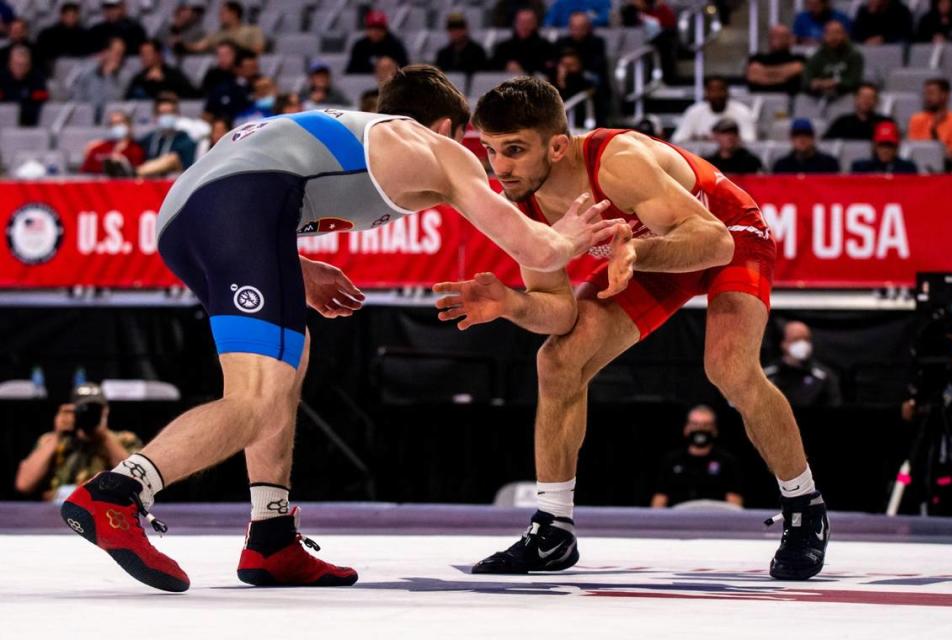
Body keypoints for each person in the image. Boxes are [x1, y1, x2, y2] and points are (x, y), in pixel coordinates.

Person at [58, 65, 621, 593]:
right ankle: (119, 492)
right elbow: (532, 247)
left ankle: (271, 536)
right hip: (242, 206)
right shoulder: (438, 149)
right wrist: (571, 233)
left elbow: (242, 179)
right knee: (254, 400)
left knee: (286, 364)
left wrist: (293, 265)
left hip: (185, 217)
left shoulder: (351, 129)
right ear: (448, 127)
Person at [450, 76, 829, 580]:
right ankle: (553, 529)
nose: (501, 167)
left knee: (729, 366)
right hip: (641, 252)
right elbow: (558, 312)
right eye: (492, 151)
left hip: (724, 227)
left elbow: (713, 243)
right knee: (558, 360)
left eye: (515, 150)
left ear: (558, 145)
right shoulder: (523, 202)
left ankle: (805, 510)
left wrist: (640, 249)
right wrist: (513, 304)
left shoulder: (616, 159)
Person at [16, 383, 141, 502]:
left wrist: (105, 436)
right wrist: (57, 435)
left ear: (105, 412)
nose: (89, 414)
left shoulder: (124, 439)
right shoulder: (51, 441)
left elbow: (136, 483)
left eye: (95, 410)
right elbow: (24, 484)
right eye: (84, 409)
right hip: (56, 515)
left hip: (106, 515)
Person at [650, 405, 744, 508]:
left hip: (713, 520)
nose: (700, 429)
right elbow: (659, 501)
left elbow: (734, 505)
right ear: (686, 428)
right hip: (678, 520)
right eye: (695, 424)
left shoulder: (727, 462)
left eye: (706, 425)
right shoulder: (671, 460)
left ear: (714, 430)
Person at [764, 321, 842, 407]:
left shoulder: (825, 377)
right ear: (783, 344)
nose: (803, 344)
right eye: (796, 339)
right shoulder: (767, 375)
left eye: (806, 339)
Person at [556, 12, 610, 123]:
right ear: (569, 27)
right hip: (565, 79)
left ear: (588, 28)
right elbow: (555, 62)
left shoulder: (597, 43)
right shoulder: (562, 43)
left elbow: (597, 66)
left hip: (588, 81)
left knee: (592, 79)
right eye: (574, 27)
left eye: (581, 27)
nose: (578, 31)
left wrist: (577, 67)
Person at [672, 76, 757, 143]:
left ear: (727, 92)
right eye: (712, 90)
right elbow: (677, 140)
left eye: (720, 90)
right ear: (706, 93)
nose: (717, 95)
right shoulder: (694, 112)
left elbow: (750, 140)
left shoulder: (742, 111)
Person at [136, 93, 197, 177]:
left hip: (175, 181)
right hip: (149, 182)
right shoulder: (149, 139)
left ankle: (135, 173)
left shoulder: (185, 140)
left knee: (172, 158)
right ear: (156, 116)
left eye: (170, 113)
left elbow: (187, 168)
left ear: (177, 115)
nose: (166, 116)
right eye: (163, 113)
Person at [620, 0, 679, 83]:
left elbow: (670, 24)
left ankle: (668, 79)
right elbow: (629, 25)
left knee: (665, 43)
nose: (637, 2)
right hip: (639, 39)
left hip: (659, 39)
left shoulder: (660, 8)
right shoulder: (630, 10)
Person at [803, 20, 864, 98]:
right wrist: (817, 83)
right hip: (817, 95)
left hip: (846, 95)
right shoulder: (816, 56)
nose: (833, 37)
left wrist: (836, 83)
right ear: (824, 36)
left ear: (845, 35)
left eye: (837, 33)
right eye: (829, 33)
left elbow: (855, 81)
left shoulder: (854, 55)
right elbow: (805, 81)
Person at [71, 38, 126, 122]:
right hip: (84, 119)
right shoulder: (88, 73)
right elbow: (77, 98)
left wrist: (109, 76)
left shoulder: (124, 76)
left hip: (109, 121)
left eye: (121, 54)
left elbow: (112, 103)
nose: (119, 58)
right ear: (106, 52)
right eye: (117, 53)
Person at [490, 7, 556, 75]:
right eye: (521, 22)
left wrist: (523, 70)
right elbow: (490, 68)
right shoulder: (503, 47)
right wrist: (506, 66)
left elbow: (548, 69)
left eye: (528, 22)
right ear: (515, 23)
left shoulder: (546, 47)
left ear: (535, 24)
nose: (525, 26)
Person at [125, 39, 198, 100]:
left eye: (147, 54)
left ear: (158, 54)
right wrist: (146, 81)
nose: (144, 57)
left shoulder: (173, 74)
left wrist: (163, 81)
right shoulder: (139, 78)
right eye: (142, 54)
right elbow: (128, 98)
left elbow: (191, 95)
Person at [907, 78, 952, 160]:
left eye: (931, 93)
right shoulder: (916, 120)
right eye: (925, 94)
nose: (927, 98)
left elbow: (950, 156)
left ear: (944, 95)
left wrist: (934, 131)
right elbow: (912, 150)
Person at [746, 25, 807, 95]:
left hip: (791, 102)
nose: (775, 38)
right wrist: (785, 75)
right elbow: (753, 76)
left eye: (781, 36)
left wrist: (765, 74)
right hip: (757, 100)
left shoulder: (799, 59)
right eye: (773, 35)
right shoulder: (757, 58)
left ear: (791, 39)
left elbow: (799, 69)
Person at [81, 109, 146, 175]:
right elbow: (85, 173)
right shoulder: (97, 148)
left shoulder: (136, 150)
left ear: (129, 126)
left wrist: (123, 163)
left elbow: (137, 174)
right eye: (113, 124)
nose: (116, 126)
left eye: (120, 123)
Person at [345, 10, 409, 75]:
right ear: (366, 29)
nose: (375, 32)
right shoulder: (360, 46)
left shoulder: (395, 45)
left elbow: (405, 70)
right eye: (371, 28)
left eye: (379, 28)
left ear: (385, 29)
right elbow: (350, 71)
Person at [203, 47, 258, 121]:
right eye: (249, 68)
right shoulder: (223, 89)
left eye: (255, 67)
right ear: (237, 69)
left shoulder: (264, 84)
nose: (254, 71)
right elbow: (208, 114)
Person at [824, 82, 893, 140]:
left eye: (870, 97)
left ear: (876, 101)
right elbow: (827, 143)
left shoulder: (885, 122)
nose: (866, 101)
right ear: (855, 99)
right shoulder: (842, 122)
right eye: (862, 97)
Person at [0, 45, 48, 126]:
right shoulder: (1, 78)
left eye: (24, 65)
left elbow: (40, 104)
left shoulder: (37, 79)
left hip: (30, 122)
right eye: (17, 64)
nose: (20, 68)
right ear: (10, 64)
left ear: (29, 65)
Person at [772, 118, 840, 173]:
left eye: (806, 135)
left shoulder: (829, 163)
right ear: (791, 139)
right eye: (797, 135)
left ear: (813, 138)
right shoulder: (781, 165)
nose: (802, 139)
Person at [35, 2, 89, 70]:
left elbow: (87, 54)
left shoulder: (85, 34)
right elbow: (40, 54)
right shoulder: (48, 33)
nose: (71, 19)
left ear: (78, 16)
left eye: (73, 16)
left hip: (79, 66)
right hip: (52, 67)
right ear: (62, 16)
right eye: (68, 15)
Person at [551, 49, 598, 127]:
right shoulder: (550, 86)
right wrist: (561, 81)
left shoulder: (587, 87)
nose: (567, 69)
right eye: (564, 65)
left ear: (579, 65)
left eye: (571, 65)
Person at [197, 1, 264, 54]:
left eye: (223, 13)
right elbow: (198, 46)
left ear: (234, 14)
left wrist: (233, 50)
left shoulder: (253, 30)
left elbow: (258, 50)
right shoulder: (217, 34)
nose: (219, 17)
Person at [850, 121, 918, 173]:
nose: (885, 150)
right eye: (881, 145)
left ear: (896, 147)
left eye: (889, 146)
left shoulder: (907, 169)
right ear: (875, 147)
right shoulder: (861, 168)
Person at [544, 0, 610, 27]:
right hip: (566, 40)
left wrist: (590, 21)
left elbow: (606, 18)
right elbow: (548, 23)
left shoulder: (601, 1)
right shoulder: (561, 3)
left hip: (592, 40)